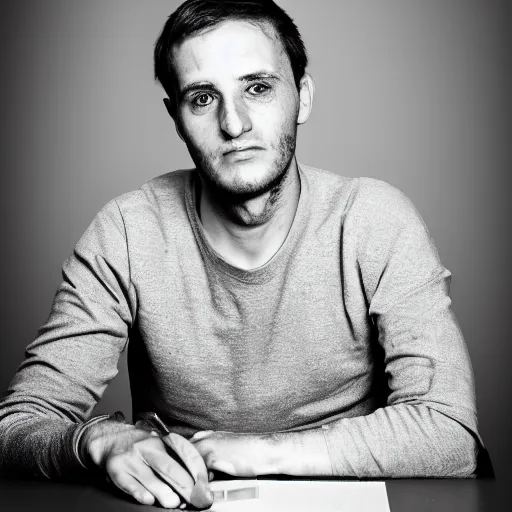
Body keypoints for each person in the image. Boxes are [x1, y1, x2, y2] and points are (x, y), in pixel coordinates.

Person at [0, 0, 484, 509]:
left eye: (257, 88)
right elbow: (17, 426)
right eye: (203, 98)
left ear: (302, 97)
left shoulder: (374, 220)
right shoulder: (126, 231)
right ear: (176, 118)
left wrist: (263, 451)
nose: (234, 124)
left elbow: (450, 432)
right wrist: (93, 441)